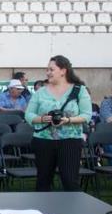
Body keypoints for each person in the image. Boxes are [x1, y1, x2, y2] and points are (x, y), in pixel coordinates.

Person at [25, 55, 93, 192]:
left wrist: (68, 120)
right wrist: (42, 119)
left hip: (70, 141)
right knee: (43, 180)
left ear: (63, 70)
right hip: (43, 141)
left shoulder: (79, 90)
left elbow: (87, 115)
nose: (47, 72)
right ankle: (42, 210)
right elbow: (28, 114)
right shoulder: (40, 92)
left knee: (69, 180)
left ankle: (70, 211)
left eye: (51, 69)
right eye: (47, 69)